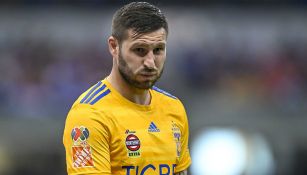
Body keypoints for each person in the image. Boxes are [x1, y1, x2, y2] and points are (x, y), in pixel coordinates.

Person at [63, 2, 191, 175]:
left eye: (158, 50)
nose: (150, 62)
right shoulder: (89, 115)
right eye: (140, 50)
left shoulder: (174, 108)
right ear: (114, 47)